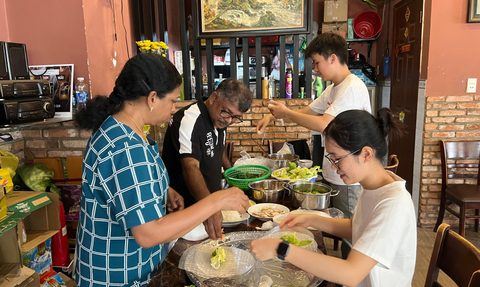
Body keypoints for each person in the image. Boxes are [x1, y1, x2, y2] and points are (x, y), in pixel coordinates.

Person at [74, 53, 249, 287]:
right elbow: (148, 234)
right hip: (117, 277)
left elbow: (121, 184)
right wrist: (215, 202)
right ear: (152, 98)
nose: (174, 108)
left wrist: (163, 189)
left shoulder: (119, 128)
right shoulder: (126, 146)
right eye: (173, 100)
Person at [249, 109, 416, 287]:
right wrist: (311, 219)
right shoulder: (374, 187)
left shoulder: (393, 204)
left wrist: (280, 248)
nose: (334, 167)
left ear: (366, 154)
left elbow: (351, 274)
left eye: (337, 158)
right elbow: (355, 227)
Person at [256, 32, 371, 257]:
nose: (315, 69)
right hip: (337, 170)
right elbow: (307, 113)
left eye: (317, 63)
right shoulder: (334, 88)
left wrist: (285, 112)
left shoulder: (351, 88)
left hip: (350, 173)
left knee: (352, 236)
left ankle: (350, 276)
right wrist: (274, 117)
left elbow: (323, 125)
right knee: (341, 228)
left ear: (333, 58)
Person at [162, 78, 252, 240]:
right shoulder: (189, 119)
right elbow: (191, 167)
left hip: (209, 207)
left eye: (236, 117)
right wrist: (210, 209)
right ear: (214, 98)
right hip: (186, 211)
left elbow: (219, 150)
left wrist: (233, 174)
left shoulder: (220, 119)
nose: (229, 120)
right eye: (227, 112)